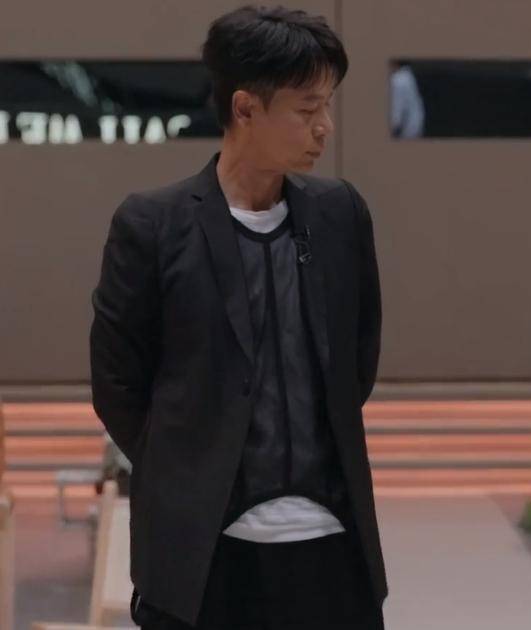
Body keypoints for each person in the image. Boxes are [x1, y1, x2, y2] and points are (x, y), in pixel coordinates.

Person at [90, 6, 385, 629]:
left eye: (328, 106)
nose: (325, 127)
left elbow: (356, 362)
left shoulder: (340, 214)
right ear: (246, 109)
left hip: (332, 546)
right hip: (204, 559)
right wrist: (188, 464)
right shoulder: (153, 225)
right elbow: (118, 386)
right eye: (307, 109)